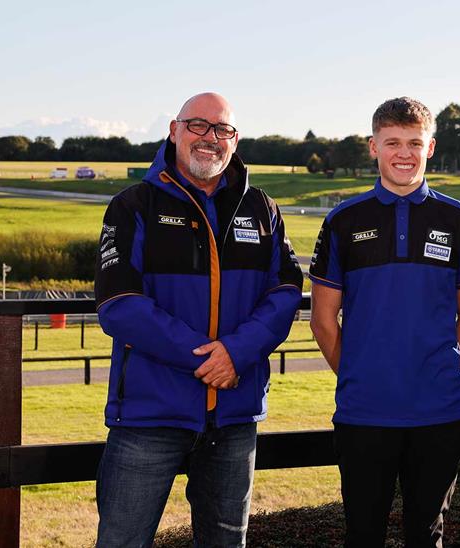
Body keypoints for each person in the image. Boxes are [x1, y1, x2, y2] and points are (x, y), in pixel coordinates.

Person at [94, 92, 303, 547]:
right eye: (197, 126)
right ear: (174, 129)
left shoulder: (262, 209)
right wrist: (207, 358)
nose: (210, 138)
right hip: (149, 417)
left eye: (222, 130)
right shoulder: (133, 205)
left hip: (234, 417)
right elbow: (119, 304)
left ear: (235, 139)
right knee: (122, 541)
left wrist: (238, 352)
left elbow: (286, 292)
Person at [309, 97, 460, 547]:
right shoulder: (342, 221)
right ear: (373, 147)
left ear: (431, 147)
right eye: (392, 142)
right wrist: (358, 374)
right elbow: (323, 320)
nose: (403, 153)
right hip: (364, 412)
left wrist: (442, 371)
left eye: (414, 142)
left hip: (438, 412)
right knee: (363, 534)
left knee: (426, 535)